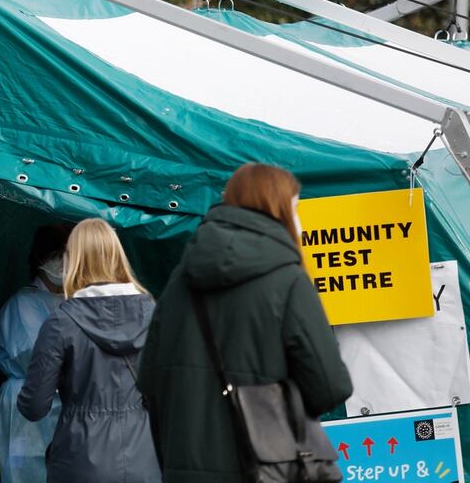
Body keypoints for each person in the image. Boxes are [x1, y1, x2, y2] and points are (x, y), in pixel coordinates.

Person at [137, 163, 353, 482]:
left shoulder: (178, 284)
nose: (300, 222)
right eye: (294, 208)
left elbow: (149, 382)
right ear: (276, 209)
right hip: (267, 468)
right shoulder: (289, 279)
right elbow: (330, 387)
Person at [18, 218, 161, 483]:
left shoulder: (62, 321)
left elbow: (34, 406)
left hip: (80, 457)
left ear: (74, 260)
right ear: (117, 256)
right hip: (143, 457)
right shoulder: (153, 313)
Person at [0, 224, 72, 483]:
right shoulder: (24, 303)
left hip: (66, 407)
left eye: (72, 253)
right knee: (28, 473)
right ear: (40, 258)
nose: (66, 261)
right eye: (59, 253)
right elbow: (36, 357)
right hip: (27, 408)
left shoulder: (77, 301)